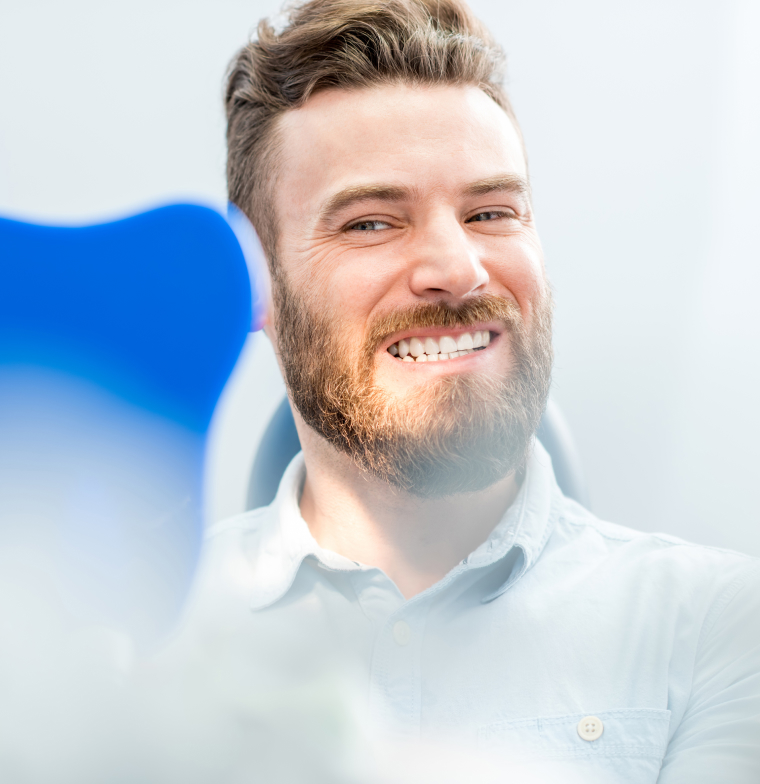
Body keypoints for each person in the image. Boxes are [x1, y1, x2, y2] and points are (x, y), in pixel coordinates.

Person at [171, 1, 760, 781]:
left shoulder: (720, 627)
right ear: (252, 284)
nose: (457, 268)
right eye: (371, 224)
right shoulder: (141, 643)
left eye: (491, 212)